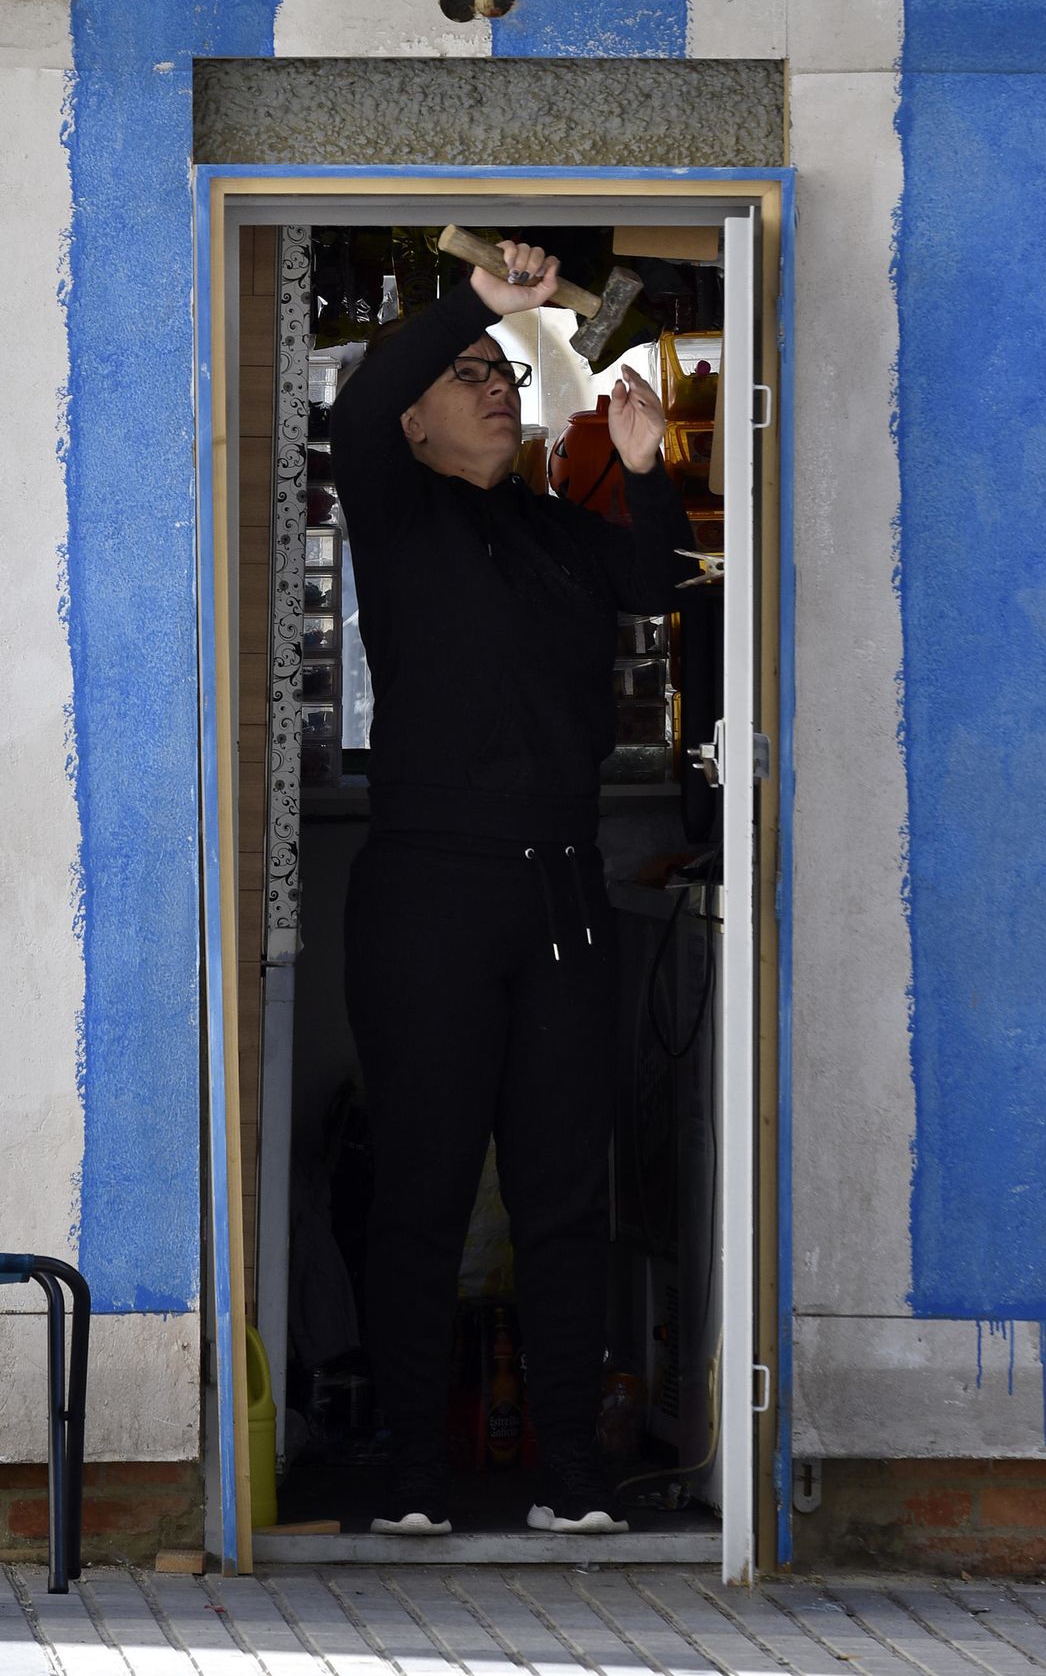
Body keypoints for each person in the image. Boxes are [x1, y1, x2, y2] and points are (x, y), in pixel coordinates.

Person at [328, 238, 693, 1536]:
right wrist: (479, 302)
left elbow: (653, 584)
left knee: (562, 1201)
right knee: (422, 1191)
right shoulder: (398, 501)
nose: (496, 386)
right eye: (469, 374)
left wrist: (649, 469)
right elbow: (365, 402)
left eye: (505, 374)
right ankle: (415, 1481)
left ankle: (572, 1485)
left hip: (561, 895)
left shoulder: (554, 530)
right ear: (421, 415)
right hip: (430, 888)